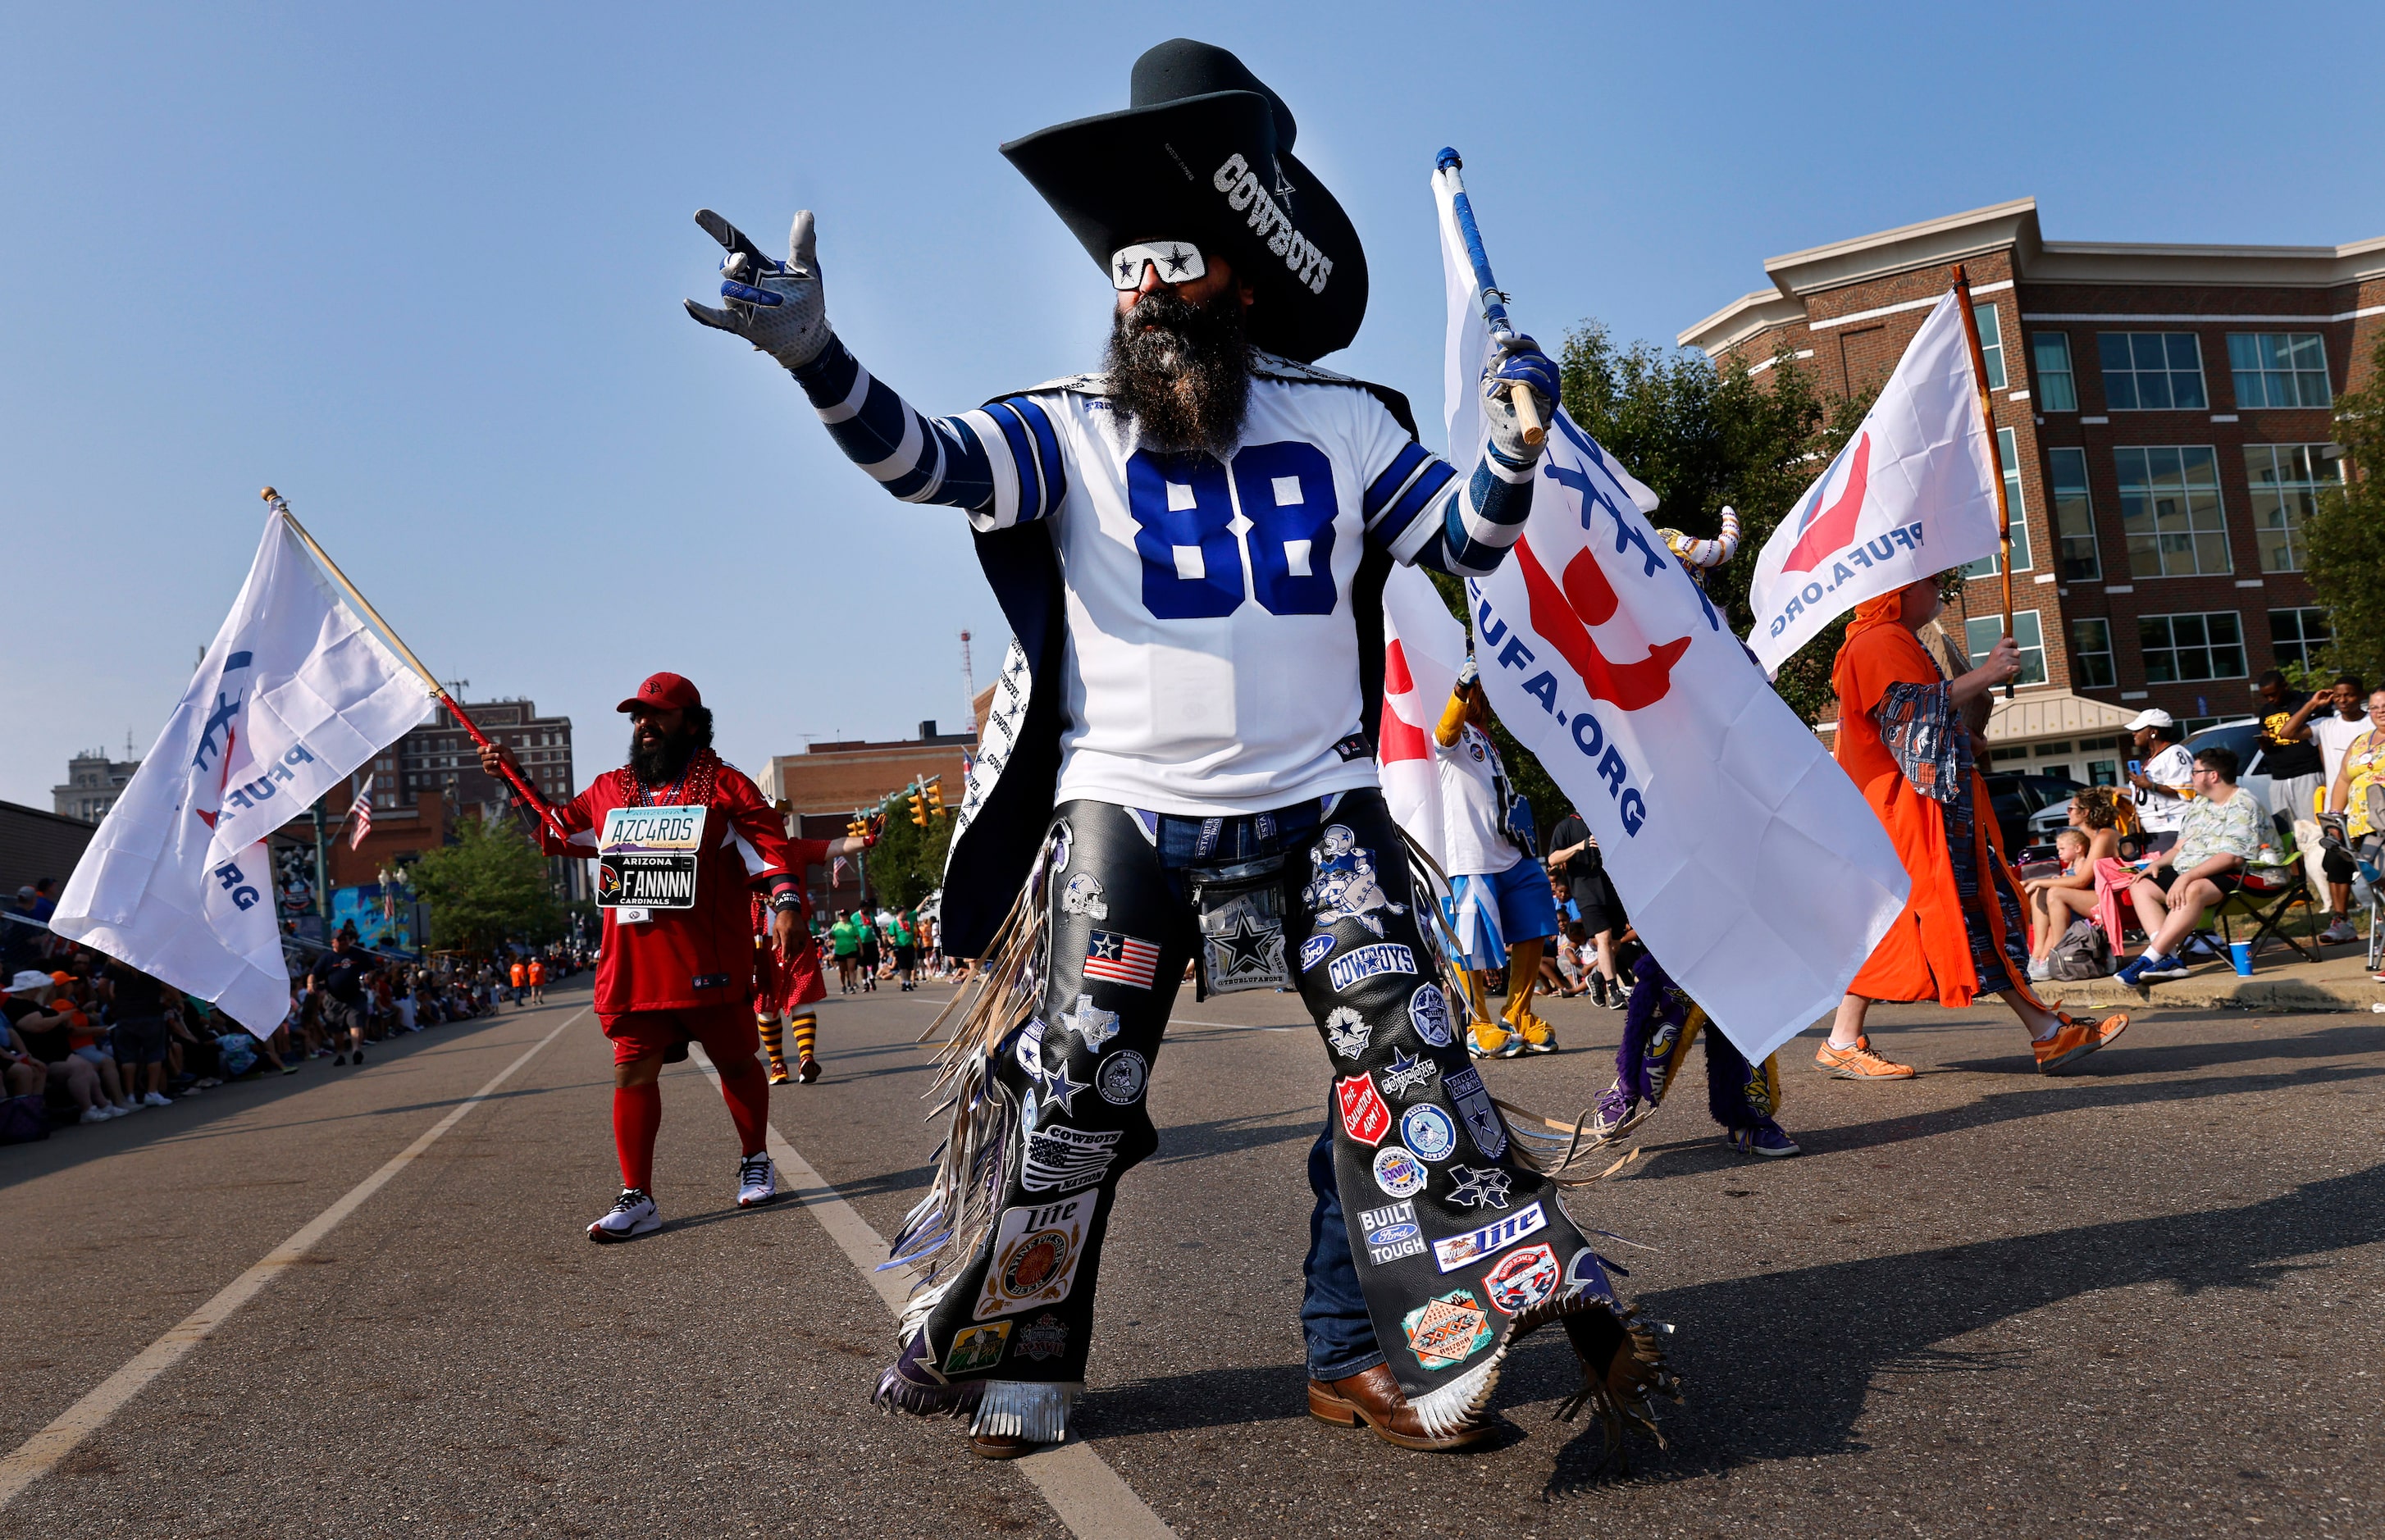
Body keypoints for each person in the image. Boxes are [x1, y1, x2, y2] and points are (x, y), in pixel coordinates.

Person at [686, 40, 1673, 1462]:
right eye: (1121, 271)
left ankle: (1362, 1350)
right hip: (1127, 818)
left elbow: (1454, 539)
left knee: (1399, 1070)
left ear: (1240, 283)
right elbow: (929, 460)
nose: (1141, 296)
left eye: (1171, 265)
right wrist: (818, 361)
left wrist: (1515, 451)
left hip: (1322, 806)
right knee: (1075, 1093)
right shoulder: (1067, 426)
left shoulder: (1345, 423)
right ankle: (1027, 1343)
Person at [480, 671, 811, 1242]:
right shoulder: (610, 789)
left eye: (656, 714)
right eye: (637, 716)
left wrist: (787, 906)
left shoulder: (727, 787)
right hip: (633, 966)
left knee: (735, 1061)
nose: (644, 724)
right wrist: (515, 779)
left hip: (708, 961)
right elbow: (558, 831)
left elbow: (772, 851)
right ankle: (638, 1197)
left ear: (690, 721)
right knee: (631, 1071)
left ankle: (755, 1157)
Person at [1824, 580, 2129, 1078]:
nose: (1939, 593)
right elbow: (1903, 709)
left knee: (1939, 918)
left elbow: (1912, 724)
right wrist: (1988, 672)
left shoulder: (1892, 637)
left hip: (1921, 812)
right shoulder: (1876, 639)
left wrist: (1964, 737)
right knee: (1949, 917)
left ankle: (2044, 1031)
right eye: (1928, 583)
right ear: (1897, 591)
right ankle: (2047, 1032)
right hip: (1908, 816)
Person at [1432, 659, 1559, 1056]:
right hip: (1473, 856)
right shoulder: (1452, 730)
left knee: (1536, 917)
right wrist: (1458, 690)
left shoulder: (1487, 738)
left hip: (1511, 851)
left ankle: (1518, 1013)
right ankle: (1477, 1024)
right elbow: (1443, 737)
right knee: (1469, 941)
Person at [2118, 745, 2263, 984]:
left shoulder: (2243, 803)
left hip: (2243, 873)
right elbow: (2178, 848)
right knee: (2141, 885)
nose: (2190, 777)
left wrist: (2185, 878)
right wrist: (2155, 866)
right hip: (2196, 870)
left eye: (2194, 772)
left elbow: (2232, 857)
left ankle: (2148, 958)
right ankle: (2170, 959)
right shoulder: (2200, 804)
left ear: (2213, 775)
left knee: (2191, 889)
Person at [2025, 795, 2122, 980]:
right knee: (2041, 892)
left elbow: (2081, 881)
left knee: (2054, 893)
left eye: (2071, 809)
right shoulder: (2092, 837)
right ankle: (2038, 956)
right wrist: (2037, 885)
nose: (2067, 812)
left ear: (2085, 813)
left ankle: (2057, 956)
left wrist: (2037, 881)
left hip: (2112, 900)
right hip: (2100, 896)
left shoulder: (2104, 836)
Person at [2307, 675, 2370, 945]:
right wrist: (2313, 704)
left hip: (2373, 809)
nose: (2343, 700)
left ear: (2361, 696)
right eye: (2338, 695)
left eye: (2350, 695)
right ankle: (2342, 921)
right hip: (2341, 809)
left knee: (2373, 863)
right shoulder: (2327, 724)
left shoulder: (2372, 724)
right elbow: (2286, 733)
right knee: (2335, 860)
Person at [1545, 809, 1625, 1009]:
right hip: (1586, 892)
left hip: (1613, 890)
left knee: (1615, 944)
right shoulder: (1566, 827)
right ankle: (1613, 990)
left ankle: (1597, 976)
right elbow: (1553, 858)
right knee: (1603, 937)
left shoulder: (1605, 820)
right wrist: (1581, 846)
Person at [2254, 669, 2328, 827]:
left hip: (2308, 772)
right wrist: (2264, 744)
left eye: (2273, 694)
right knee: (2287, 828)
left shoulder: (2304, 702)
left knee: (2313, 826)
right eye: (2266, 696)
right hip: (2279, 776)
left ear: (2284, 687)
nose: (2271, 699)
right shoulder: (2266, 711)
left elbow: (2322, 736)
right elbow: (2267, 744)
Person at [2126, 709, 2194, 855]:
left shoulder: (2175, 753)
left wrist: (2151, 785)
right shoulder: (2150, 759)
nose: (2134, 733)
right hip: (2152, 832)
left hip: (2172, 828)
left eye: (2138, 730)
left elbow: (2188, 792)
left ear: (2153, 732)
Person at [311, 928, 374, 1066]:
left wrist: (369, 975)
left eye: (345, 939)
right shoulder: (326, 958)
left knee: (355, 1023)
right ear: (332, 942)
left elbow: (371, 967)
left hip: (354, 997)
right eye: (340, 939)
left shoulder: (357, 954)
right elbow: (314, 974)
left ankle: (356, 1050)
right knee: (337, 1030)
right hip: (335, 1000)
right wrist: (311, 984)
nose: (344, 942)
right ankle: (340, 1054)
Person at [829, 909, 860, 994]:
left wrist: (861, 949)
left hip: (851, 949)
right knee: (842, 970)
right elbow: (832, 937)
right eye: (841, 915)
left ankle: (852, 986)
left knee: (851, 968)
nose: (842, 917)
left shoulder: (852, 926)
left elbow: (857, 937)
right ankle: (843, 985)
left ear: (847, 916)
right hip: (840, 950)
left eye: (844, 915)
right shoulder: (835, 926)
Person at [855, 908, 881, 993]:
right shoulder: (854, 917)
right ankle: (865, 983)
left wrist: (881, 940)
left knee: (876, 962)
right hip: (860, 943)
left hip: (872, 942)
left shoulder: (871, 915)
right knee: (863, 965)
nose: (867, 909)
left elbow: (876, 928)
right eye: (865, 907)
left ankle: (872, 977)